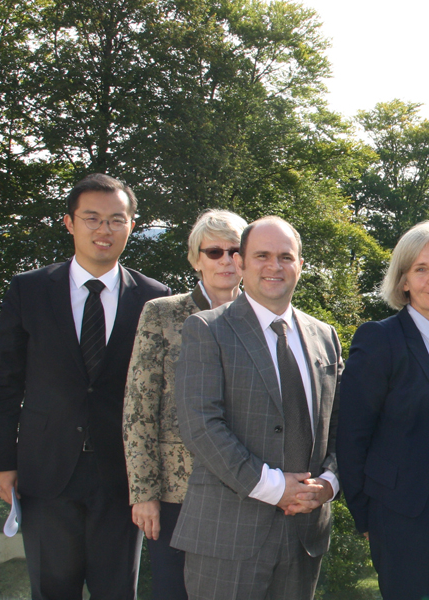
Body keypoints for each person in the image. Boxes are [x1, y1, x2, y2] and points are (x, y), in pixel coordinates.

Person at [0, 173, 171, 599]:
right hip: (44, 471)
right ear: (69, 222)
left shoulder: (152, 298)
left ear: (131, 226)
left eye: (116, 220)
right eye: (92, 218)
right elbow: (4, 383)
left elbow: (161, 394)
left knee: (117, 591)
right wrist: (2, 461)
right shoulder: (28, 290)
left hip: (122, 477)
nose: (103, 230)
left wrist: (151, 479)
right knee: (51, 591)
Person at [172, 216, 342, 600]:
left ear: (300, 265)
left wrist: (328, 485)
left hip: (304, 536)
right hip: (228, 538)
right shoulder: (207, 329)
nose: (274, 266)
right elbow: (201, 426)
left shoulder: (324, 337)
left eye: (285, 256)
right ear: (242, 263)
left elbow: (344, 426)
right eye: (262, 255)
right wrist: (274, 487)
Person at [337, 221, 429, 600]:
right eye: (420, 268)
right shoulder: (380, 339)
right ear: (403, 280)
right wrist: (365, 513)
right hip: (403, 510)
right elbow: (352, 435)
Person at [123, 209, 247, 600]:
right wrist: (144, 493)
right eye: (214, 252)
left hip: (245, 488)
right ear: (196, 259)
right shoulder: (162, 313)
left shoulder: (260, 318)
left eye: (236, 251)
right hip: (178, 493)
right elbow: (138, 407)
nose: (226, 260)